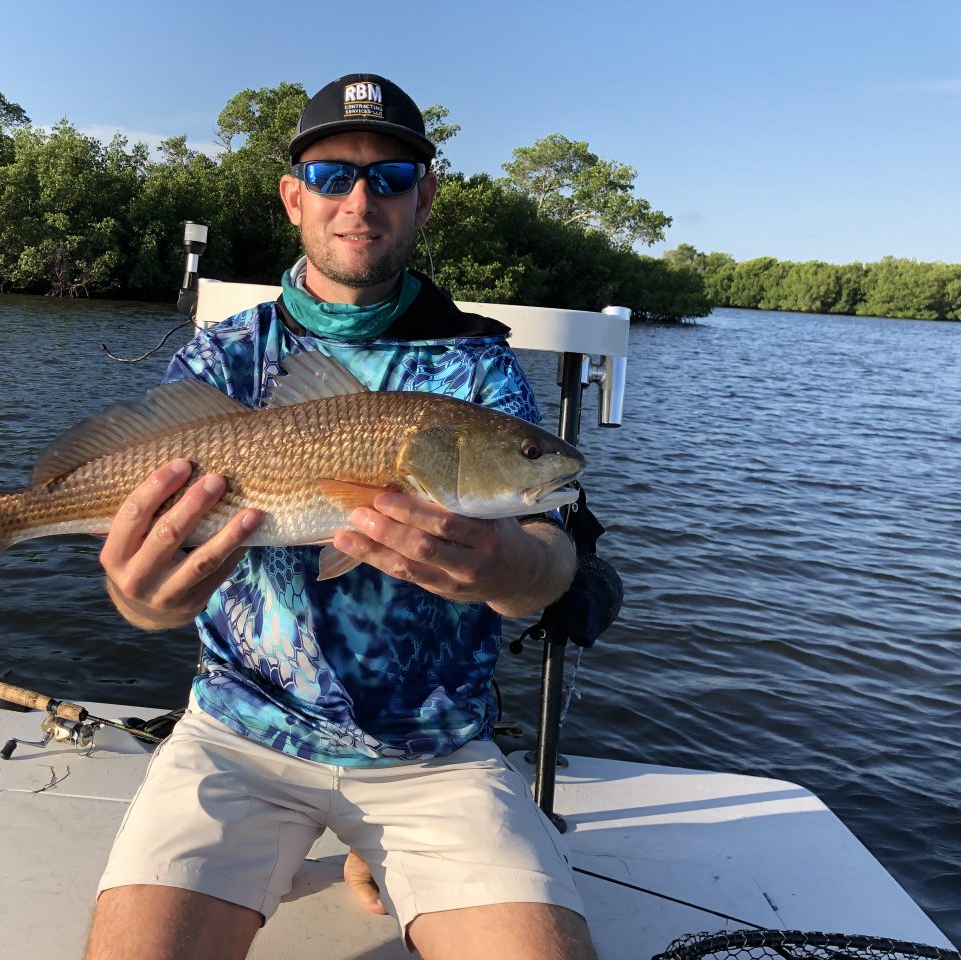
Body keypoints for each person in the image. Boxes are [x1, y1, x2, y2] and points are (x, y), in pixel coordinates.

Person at [85, 73, 599, 960]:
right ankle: (359, 857)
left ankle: (378, 852)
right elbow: (154, 582)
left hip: (436, 750)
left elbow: (557, 558)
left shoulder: (477, 370)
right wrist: (143, 601)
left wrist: (514, 569)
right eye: (332, 175)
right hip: (239, 732)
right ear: (294, 197)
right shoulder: (224, 357)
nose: (361, 200)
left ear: (423, 197)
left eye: (391, 178)